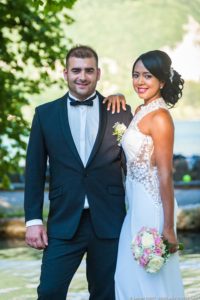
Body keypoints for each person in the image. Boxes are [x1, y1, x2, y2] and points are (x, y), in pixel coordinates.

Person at [24, 45, 132, 300]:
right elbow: (34, 171)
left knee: (106, 294)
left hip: (109, 220)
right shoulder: (45, 114)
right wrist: (33, 220)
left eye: (88, 71)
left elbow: (134, 167)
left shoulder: (119, 111)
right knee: (49, 291)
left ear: (98, 74)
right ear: (65, 73)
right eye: (76, 70)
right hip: (64, 222)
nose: (82, 76)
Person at [115, 50, 185, 299]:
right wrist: (117, 96)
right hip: (133, 207)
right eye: (136, 75)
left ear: (162, 82)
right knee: (125, 278)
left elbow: (165, 174)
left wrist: (168, 227)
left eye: (148, 76)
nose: (140, 81)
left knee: (151, 282)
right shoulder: (140, 111)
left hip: (153, 208)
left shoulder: (161, 117)